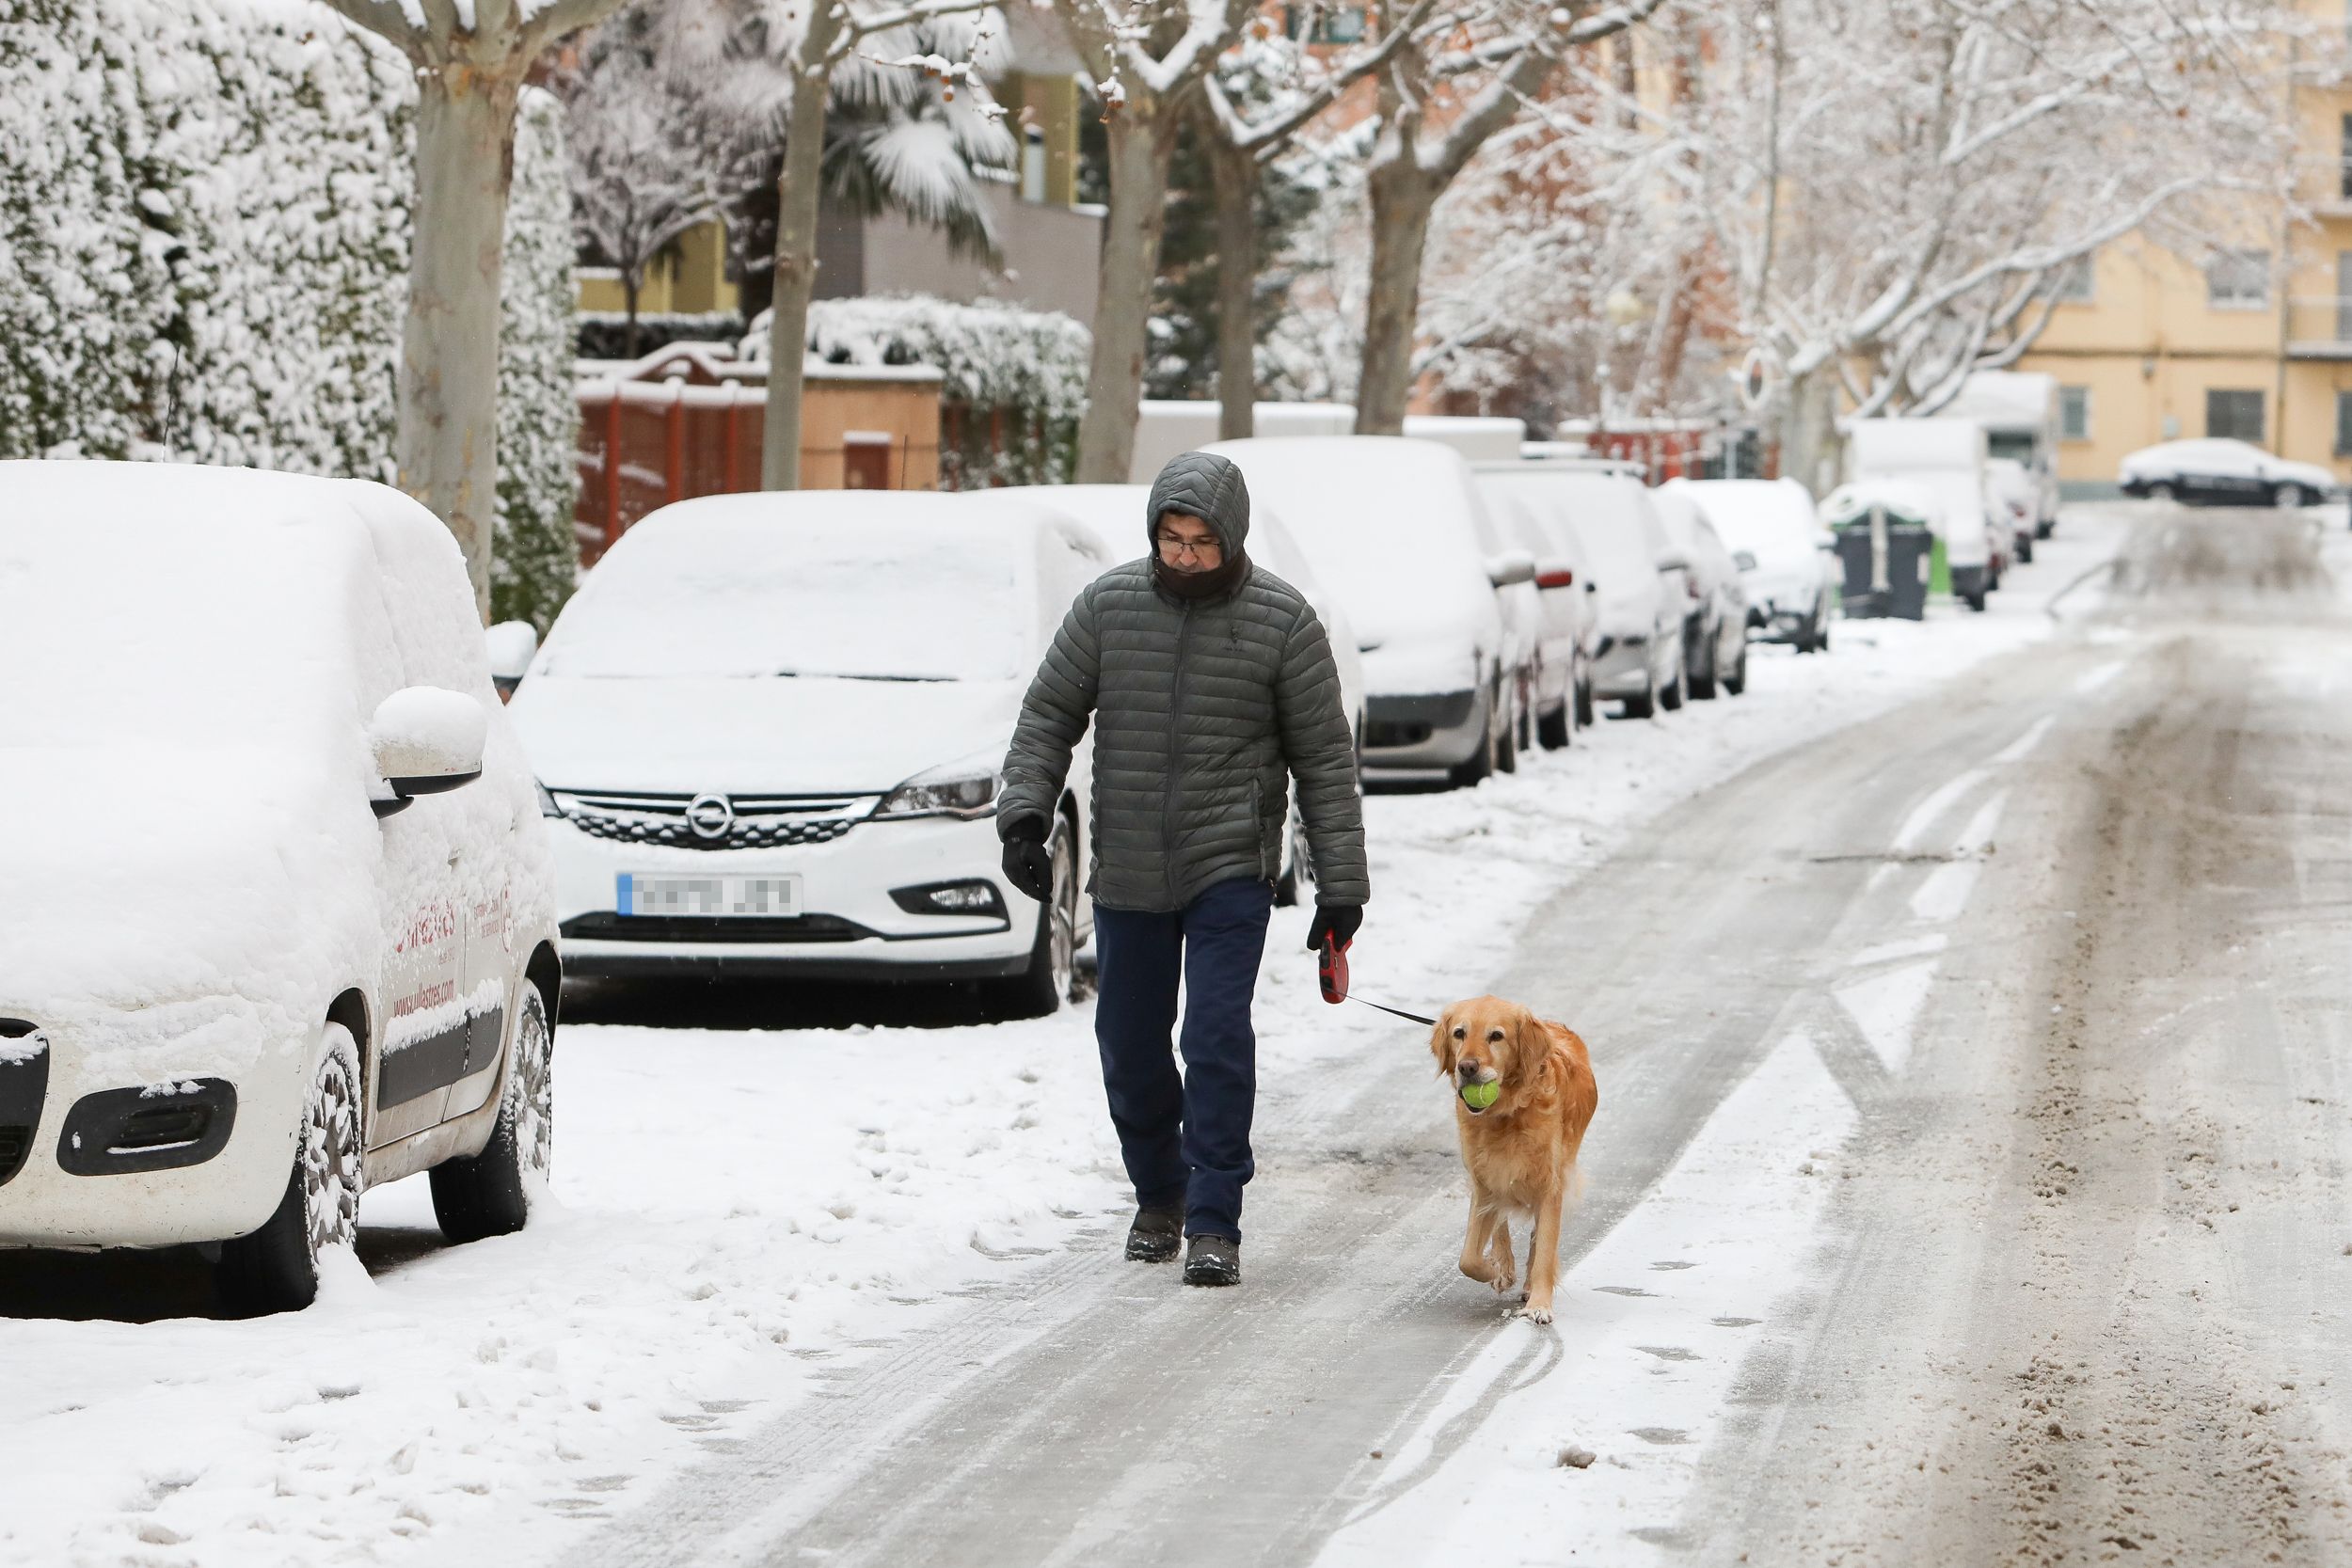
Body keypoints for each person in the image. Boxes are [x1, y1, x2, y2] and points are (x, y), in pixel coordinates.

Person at [998, 451, 1368, 1288]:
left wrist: (1340, 884)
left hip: (1228, 864)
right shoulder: (1107, 606)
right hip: (1128, 862)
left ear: (1231, 537)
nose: (1185, 555)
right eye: (1171, 538)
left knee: (1213, 1037)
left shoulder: (1282, 621)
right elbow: (1048, 713)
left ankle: (1213, 1219)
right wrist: (1025, 811)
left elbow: (1324, 761)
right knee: (1128, 1043)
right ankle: (1159, 1194)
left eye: (1202, 540)